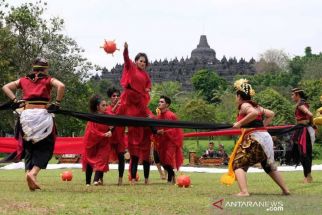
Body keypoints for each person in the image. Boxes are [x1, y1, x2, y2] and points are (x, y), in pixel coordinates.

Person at [1, 57, 65, 191]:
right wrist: (57, 103)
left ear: (33, 68)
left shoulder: (23, 80)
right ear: (45, 69)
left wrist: (15, 100)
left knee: (29, 148)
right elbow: (61, 86)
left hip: (26, 117)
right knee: (46, 147)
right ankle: (33, 173)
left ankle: (29, 177)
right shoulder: (48, 80)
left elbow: (5, 87)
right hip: (42, 116)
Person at [231, 79, 289, 196]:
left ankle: (244, 191)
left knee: (238, 163)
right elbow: (271, 114)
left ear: (239, 96)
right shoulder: (257, 106)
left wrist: (240, 123)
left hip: (255, 138)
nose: (236, 99)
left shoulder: (245, 105)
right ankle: (285, 190)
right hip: (265, 137)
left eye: (236, 96)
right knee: (268, 166)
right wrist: (262, 126)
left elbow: (253, 113)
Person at [116, 42, 153, 185]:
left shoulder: (145, 75)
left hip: (140, 102)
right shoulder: (131, 67)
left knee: (143, 126)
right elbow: (126, 58)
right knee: (130, 130)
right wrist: (126, 50)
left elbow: (148, 84)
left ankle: (144, 178)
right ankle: (132, 177)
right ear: (136, 61)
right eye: (140, 61)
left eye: (144, 62)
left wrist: (148, 89)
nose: (142, 63)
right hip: (129, 100)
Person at [82, 95, 112, 186]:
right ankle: (87, 182)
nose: (106, 107)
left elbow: (114, 124)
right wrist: (103, 134)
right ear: (97, 106)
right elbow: (92, 131)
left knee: (102, 159)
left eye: (106, 105)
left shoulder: (108, 116)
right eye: (103, 105)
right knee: (89, 160)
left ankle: (96, 180)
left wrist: (110, 131)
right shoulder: (92, 117)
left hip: (104, 141)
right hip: (91, 141)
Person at [155, 96, 184, 184]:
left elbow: (176, 129)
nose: (159, 103)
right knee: (162, 161)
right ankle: (171, 176)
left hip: (171, 141)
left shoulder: (171, 115)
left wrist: (164, 132)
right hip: (162, 142)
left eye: (162, 102)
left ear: (167, 104)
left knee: (168, 160)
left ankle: (170, 178)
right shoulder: (159, 116)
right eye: (159, 101)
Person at [291, 88, 315, 183]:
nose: (292, 96)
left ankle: (308, 176)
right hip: (300, 129)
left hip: (304, 130)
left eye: (293, 94)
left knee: (305, 153)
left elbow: (310, 114)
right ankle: (307, 176)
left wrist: (311, 124)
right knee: (302, 153)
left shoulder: (301, 104)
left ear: (297, 95)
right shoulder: (300, 104)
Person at [105, 87, 126, 185]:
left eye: (118, 96)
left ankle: (120, 179)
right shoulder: (107, 108)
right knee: (104, 157)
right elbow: (110, 116)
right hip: (109, 137)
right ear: (110, 97)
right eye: (114, 96)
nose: (116, 97)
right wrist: (117, 105)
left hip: (120, 137)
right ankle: (99, 178)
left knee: (121, 157)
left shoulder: (123, 108)